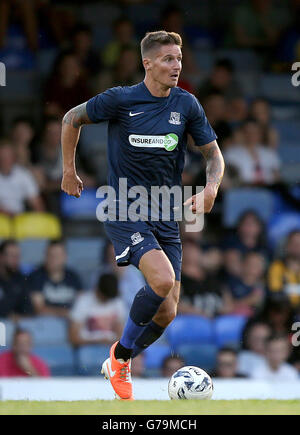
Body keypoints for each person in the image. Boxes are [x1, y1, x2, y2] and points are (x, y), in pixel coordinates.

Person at [61, 30, 224, 400]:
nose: (176, 65)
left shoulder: (187, 105)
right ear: (147, 63)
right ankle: (120, 359)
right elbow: (71, 118)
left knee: (167, 313)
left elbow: (212, 154)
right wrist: (69, 171)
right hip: (125, 207)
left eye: (179, 58)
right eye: (168, 59)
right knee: (162, 280)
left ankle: (120, 357)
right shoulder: (121, 99)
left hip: (166, 213)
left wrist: (211, 187)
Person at [27, 240, 82, 318]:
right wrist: (68, 313)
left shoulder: (73, 277)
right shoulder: (36, 276)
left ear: (65, 257)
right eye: (50, 255)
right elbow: (39, 309)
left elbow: (82, 303)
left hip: (71, 321)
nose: (53, 259)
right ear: (45, 256)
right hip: (46, 322)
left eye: (57, 256)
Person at [69, 273, 126, 346]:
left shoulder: (118, 302)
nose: (106, 300)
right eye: (105, 297)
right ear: (97, 290)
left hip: (111, 347)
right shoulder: (83, 301)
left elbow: (121, 336)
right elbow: (73, 337)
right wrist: (98, 342)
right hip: (87, 347)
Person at [0, 140, 44, 215]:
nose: (5, 160)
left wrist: (40, 216)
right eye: (2, 156)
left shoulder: (23, 174)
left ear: (13, 157)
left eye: (8, 156)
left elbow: (36, 201)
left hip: (19, 219)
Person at [268, 231, 300, 313]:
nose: (297, 246)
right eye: (294, 243)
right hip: (284, 312)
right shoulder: (277, 267)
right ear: (287, 246)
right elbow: (275, 294)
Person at [0, 240, 33, 319]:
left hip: (12, 327)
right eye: (12, 256)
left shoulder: (22, 280)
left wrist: (19, 317)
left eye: (17, 256)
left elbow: (28, 310)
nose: (16, 260)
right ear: (1, 257)